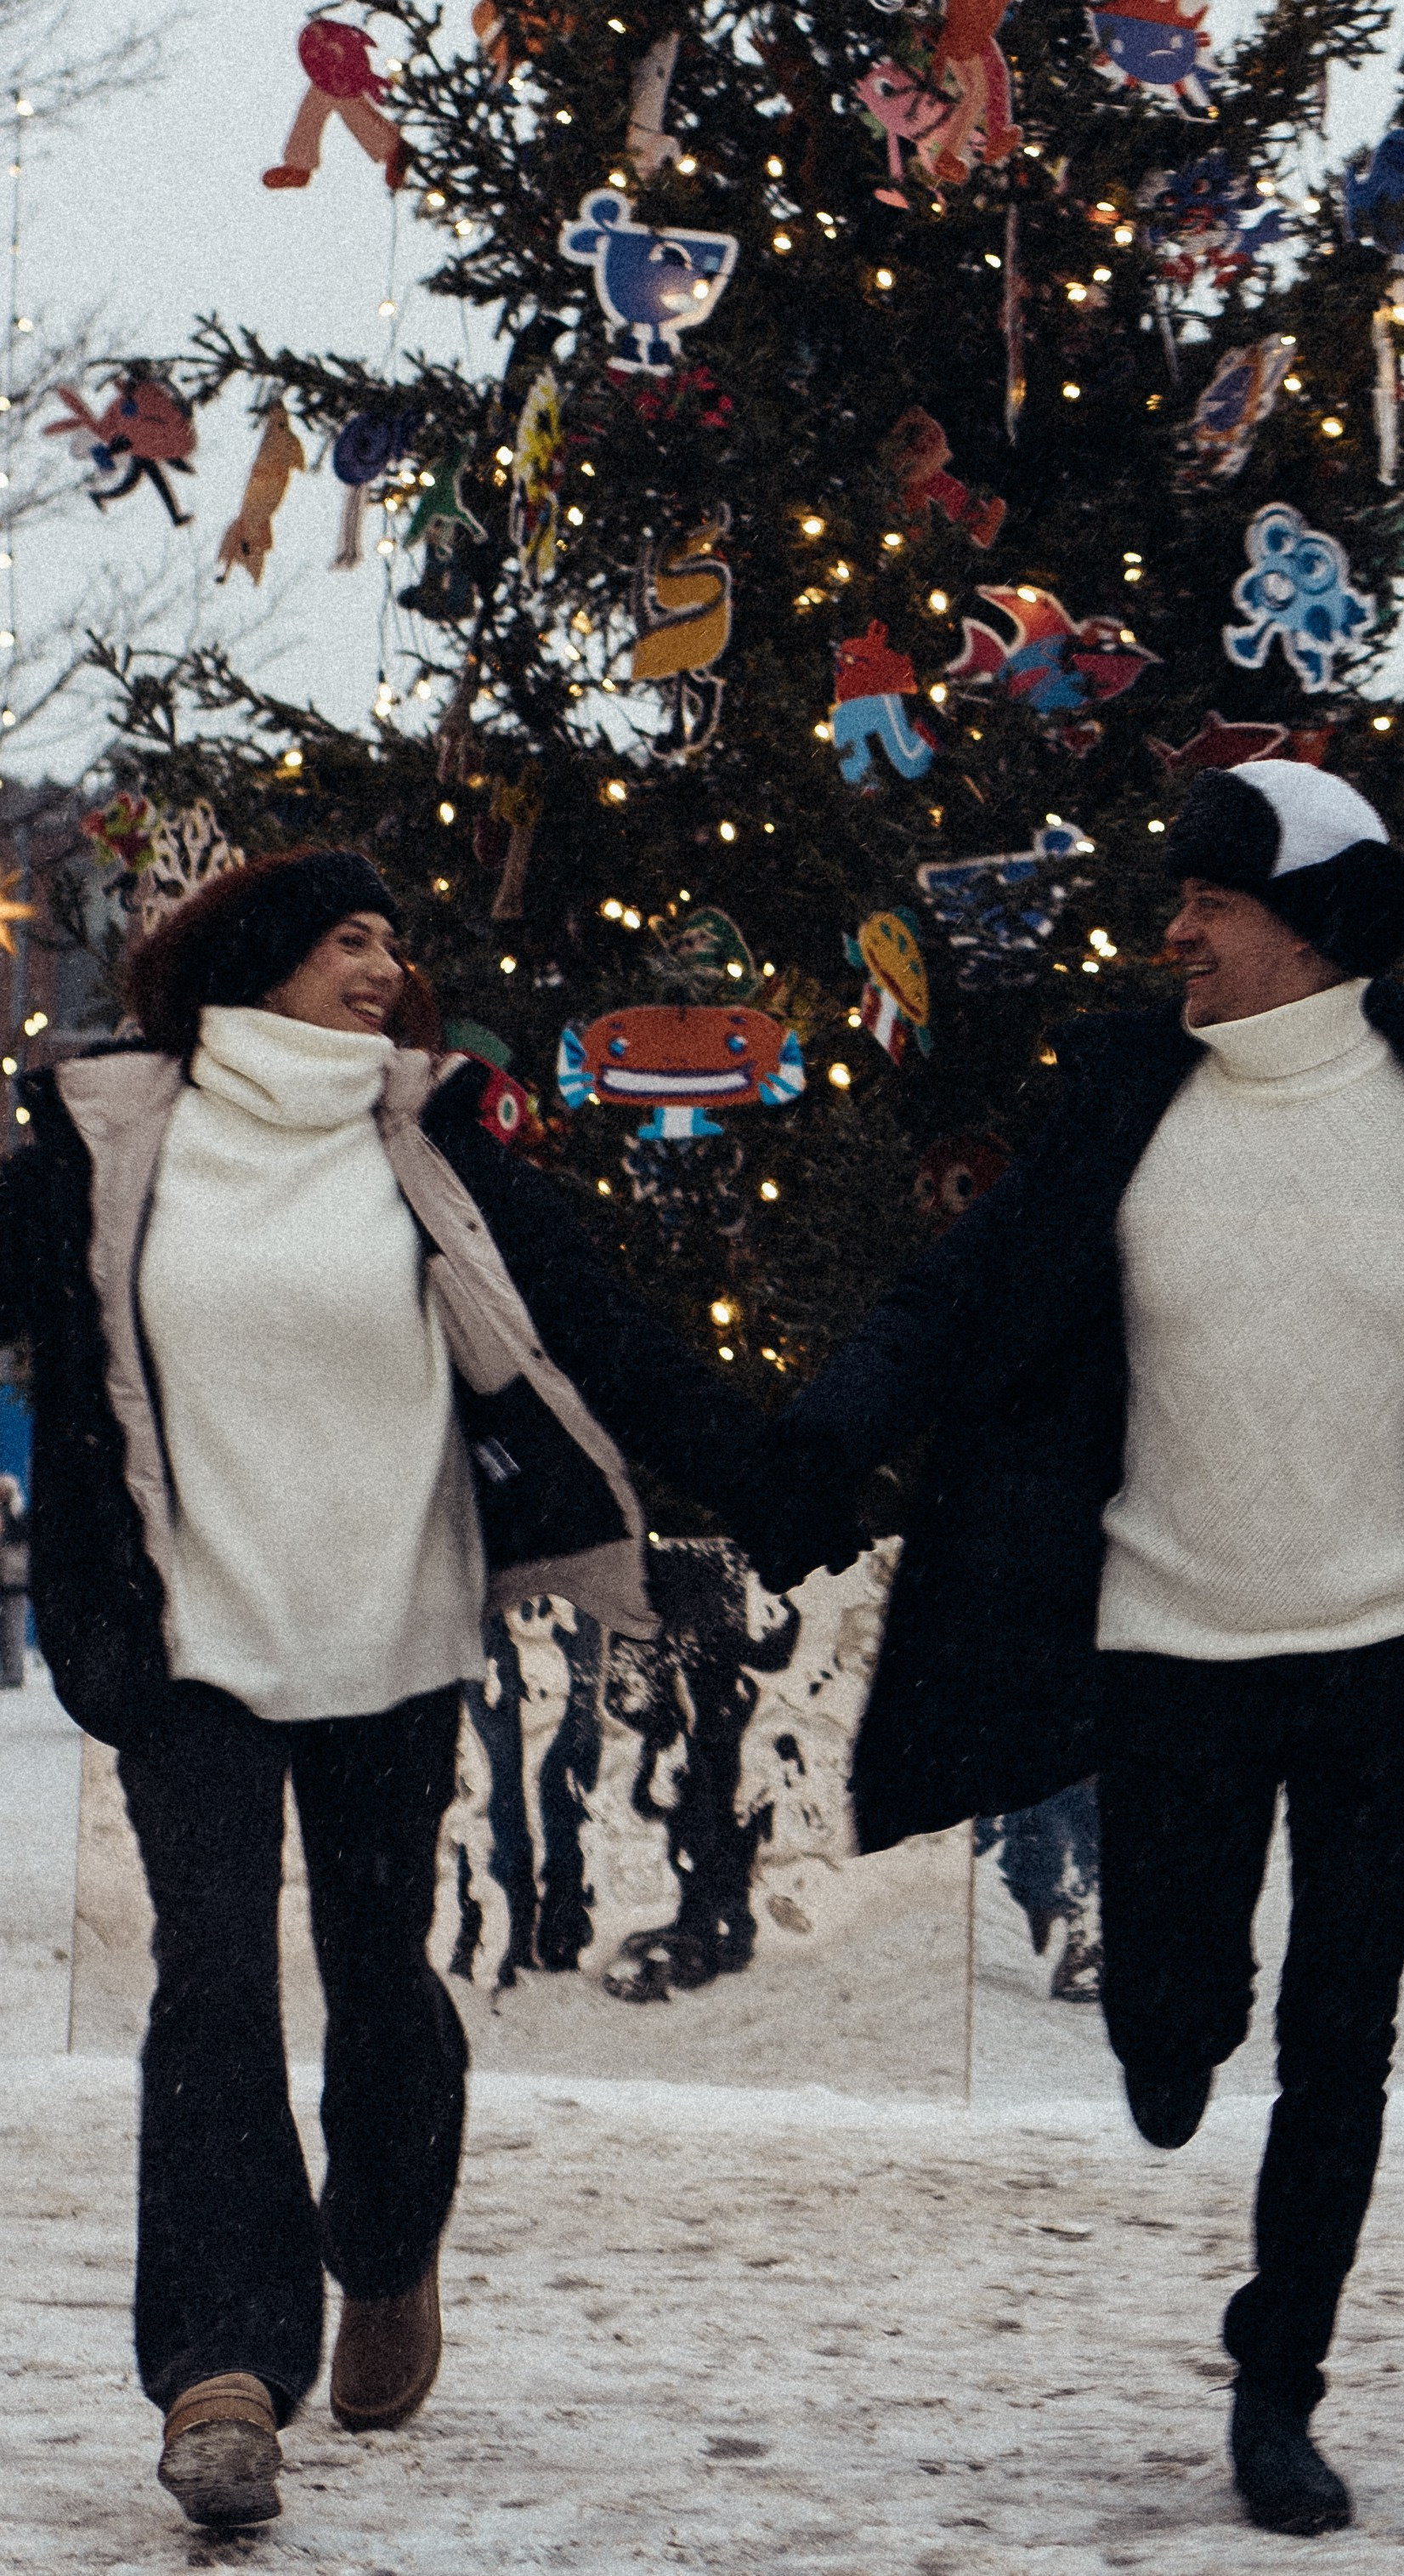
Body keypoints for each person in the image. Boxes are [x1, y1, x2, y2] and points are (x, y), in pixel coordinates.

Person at [778, 761, 1404, 2535]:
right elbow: (956, 1292)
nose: (1173, 937)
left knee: (1341, 2033)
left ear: (1301, 921)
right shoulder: (1132, 1094)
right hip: (1168, 1632)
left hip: (1398, 1633)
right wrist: (825, 1435)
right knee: (1173, 2023)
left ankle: (1278, 2380)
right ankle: (1167, 2019)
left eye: (1203, 908)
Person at [0, 849, 845, 2533]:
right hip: (186, 1640)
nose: (382, 965)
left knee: (379, 1975)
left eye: (392, 938)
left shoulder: (429, 1146)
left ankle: (385, 2245)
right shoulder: (106, 1152)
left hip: (391, 1624)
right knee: (213, 1985)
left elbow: (604, 1339)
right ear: (253, 963)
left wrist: (778, 1483)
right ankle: (222, 2377)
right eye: (345, 938)